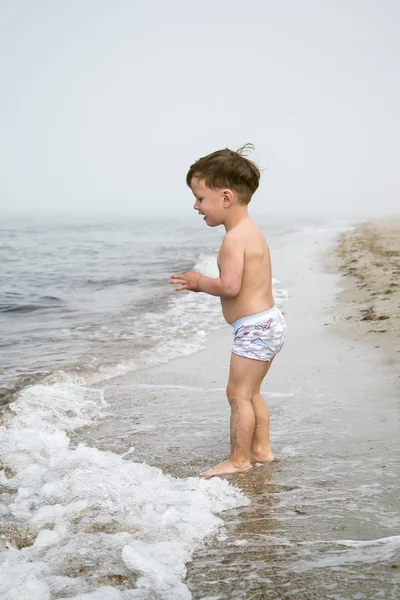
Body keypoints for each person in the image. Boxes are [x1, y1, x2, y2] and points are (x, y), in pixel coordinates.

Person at [169, 145, 287, 477]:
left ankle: (239, 460)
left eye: (199, 198)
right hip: (268, 322)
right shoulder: (252, 231)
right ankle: (261, 450)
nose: (195, 206)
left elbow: (230, 286)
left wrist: (198, 281)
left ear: (225, 198)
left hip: (254, 328)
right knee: (252, 392)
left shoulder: (234, 239)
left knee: (237, 393)